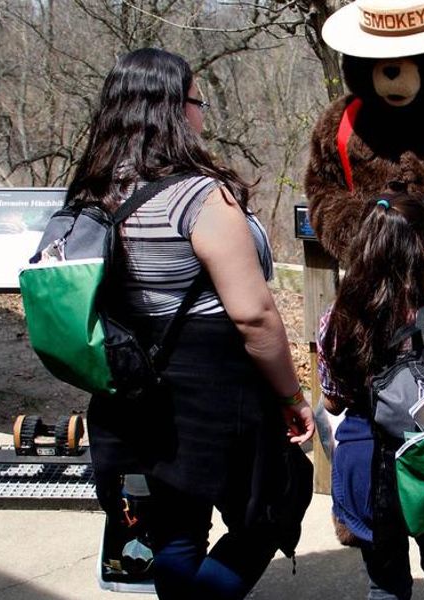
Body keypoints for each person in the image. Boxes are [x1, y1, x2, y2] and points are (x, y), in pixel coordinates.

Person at [68, 48, 314, 600]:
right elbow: (253, 313)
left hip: (129, 387)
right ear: (173, 110)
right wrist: (291, 394)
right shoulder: (199, 197)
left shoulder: (93, 193)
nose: (204, 115)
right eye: (198, 102)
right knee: (269, 510)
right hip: (213, 392)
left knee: (175, 527)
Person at [317, 191, 424, 600]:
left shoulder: (335, 323)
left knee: (385, 585)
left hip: (365, 468)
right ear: (420, 252)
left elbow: (332, 403)